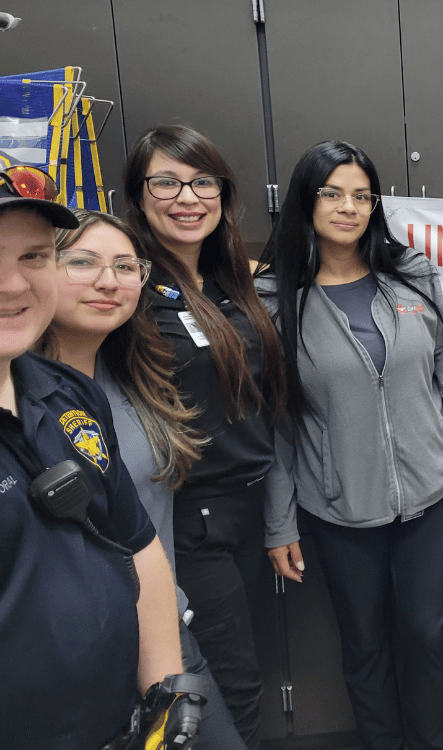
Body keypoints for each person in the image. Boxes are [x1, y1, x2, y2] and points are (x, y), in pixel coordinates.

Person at [259, 140, 443, 750]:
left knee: (427, 635)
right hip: (339, 506)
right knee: (364, 647)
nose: (348, 207)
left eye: (362, 195)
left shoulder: (409, 273)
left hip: (431, 494)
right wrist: (279, 523)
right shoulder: (275, 297)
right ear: (305, 201)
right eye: (332, 193)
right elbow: (277, 424)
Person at [40, 208, 247, 749]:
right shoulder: (19, 393)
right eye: (82, 262)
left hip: (162, 631)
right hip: (73, 655)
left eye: (126, 266)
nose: (109, 281)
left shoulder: (137, 373)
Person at [0, 168, 183, 747]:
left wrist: (165, 699)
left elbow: (137, 542)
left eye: (32, 256)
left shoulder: (68, 393)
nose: (12, 284)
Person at [122, 124, 286, 750]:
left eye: (201, 182)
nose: (187, 197)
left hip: (246, 513)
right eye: (166, 182)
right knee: (217, 691)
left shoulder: (231, 284)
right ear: (138, 196)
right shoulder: (131, 288)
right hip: (187, 521)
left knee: (239, 680)